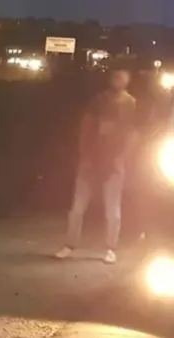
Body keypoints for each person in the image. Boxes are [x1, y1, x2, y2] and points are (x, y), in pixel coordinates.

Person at [54, 67, 138, 264]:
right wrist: (84, 154)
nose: (117, 80)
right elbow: (86, 126)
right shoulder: (99, 100)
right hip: (91, 160)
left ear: (127, 80)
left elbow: (132, 134)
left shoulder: (131, 103)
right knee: (77, 207)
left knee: (112, 209)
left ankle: (110, 248)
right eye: (115, 76)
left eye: (122, 76)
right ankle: (69, 245)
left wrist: (121, 158)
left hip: (114, 162)